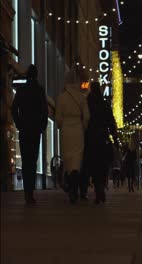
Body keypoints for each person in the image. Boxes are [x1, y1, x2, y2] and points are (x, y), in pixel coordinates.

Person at [11, 65, 48, 205]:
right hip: (35, 130)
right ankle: (30, 193)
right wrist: (42, 126)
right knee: (33, 160)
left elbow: (14, 108)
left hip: (25, 129)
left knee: (26, 160)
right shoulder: (39, 90)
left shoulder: (21, 90)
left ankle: (27, 192)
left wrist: (19, 124)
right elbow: (44, 110)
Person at [55, 69, 90, 204]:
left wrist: (61, 126)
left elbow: (58, 117)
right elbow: (86, 116)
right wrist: (82, 126)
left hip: (66, 130)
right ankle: (74, 189)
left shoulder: (61, 97)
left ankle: (71, 188)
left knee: (68, 159)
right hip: (77, 129)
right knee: (77, 159)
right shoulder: (81, 97)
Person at [84, 82, 117, 204]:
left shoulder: (88, 103)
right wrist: (115, 138)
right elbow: (111, 122)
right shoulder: (104, 104)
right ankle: (100, 189)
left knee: (93, 165)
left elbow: (85, 120)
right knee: (103, 166)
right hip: (103, 138)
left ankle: (98, 190)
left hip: (90, 138)